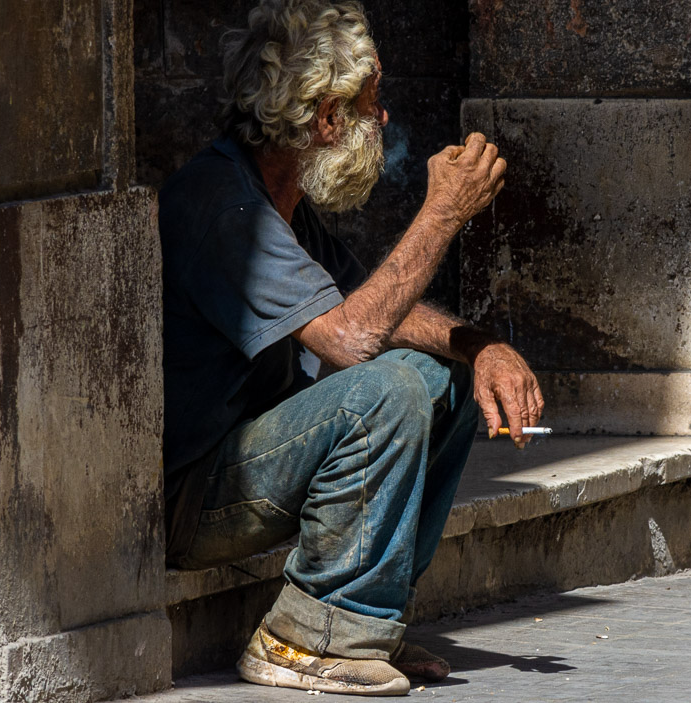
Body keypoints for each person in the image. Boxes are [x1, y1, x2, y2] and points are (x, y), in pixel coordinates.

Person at [159, 0, 544, 695]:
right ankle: (309, 636)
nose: (385, 117)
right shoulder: (224, 205)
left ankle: (368, 617)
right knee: (385, 391)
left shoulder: (284, 202)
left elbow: (373, 306)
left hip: (252, 467)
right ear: (328, 118)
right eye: (373, 102)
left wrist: (479, 347)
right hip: (196, 501)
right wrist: (442, 213)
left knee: (445, 380)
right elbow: (350, 338)